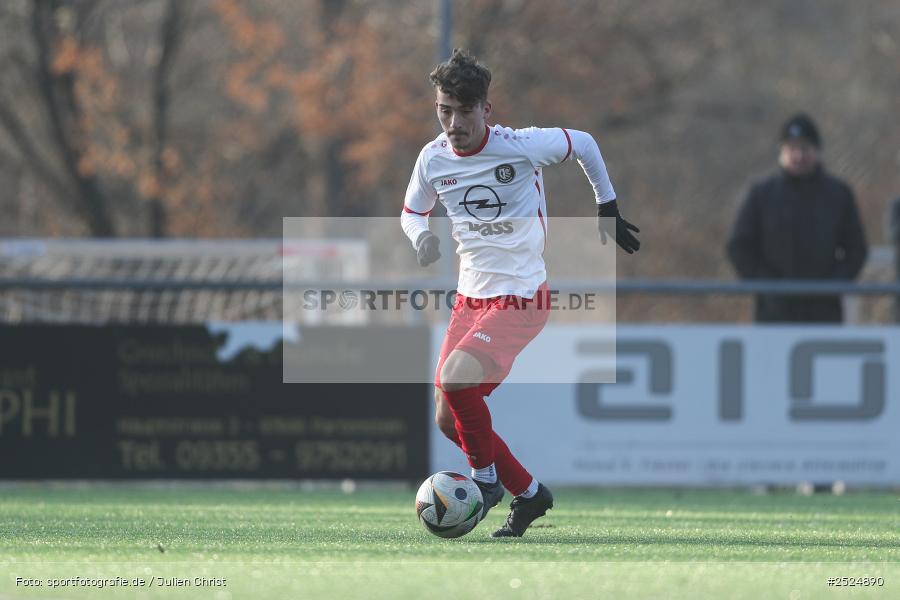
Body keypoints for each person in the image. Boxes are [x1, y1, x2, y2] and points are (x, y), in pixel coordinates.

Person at [400, 49, 639, 537]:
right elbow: (412, 211)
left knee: (455, 378)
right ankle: (529, 494)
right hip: (471, 300)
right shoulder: (432, 158)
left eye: (464, 110)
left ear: (486, 109)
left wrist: (606, 203)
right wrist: (420, 236)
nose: (452, 122)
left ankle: (485, 483)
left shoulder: (522, 145)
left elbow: (586, 143)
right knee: (450, 419)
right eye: (444, 109)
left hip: (522, 297)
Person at [726, 114, 868, 323]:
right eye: (792, 148)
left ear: (817, 151)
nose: (799, 155)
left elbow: (856, 249)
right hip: (772, 314)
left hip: (824, 314)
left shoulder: (838, 194)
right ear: (781, 152)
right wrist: (768, 287)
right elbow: (738, 246)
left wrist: (831, 286)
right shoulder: (761, 194)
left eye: (805, 148)